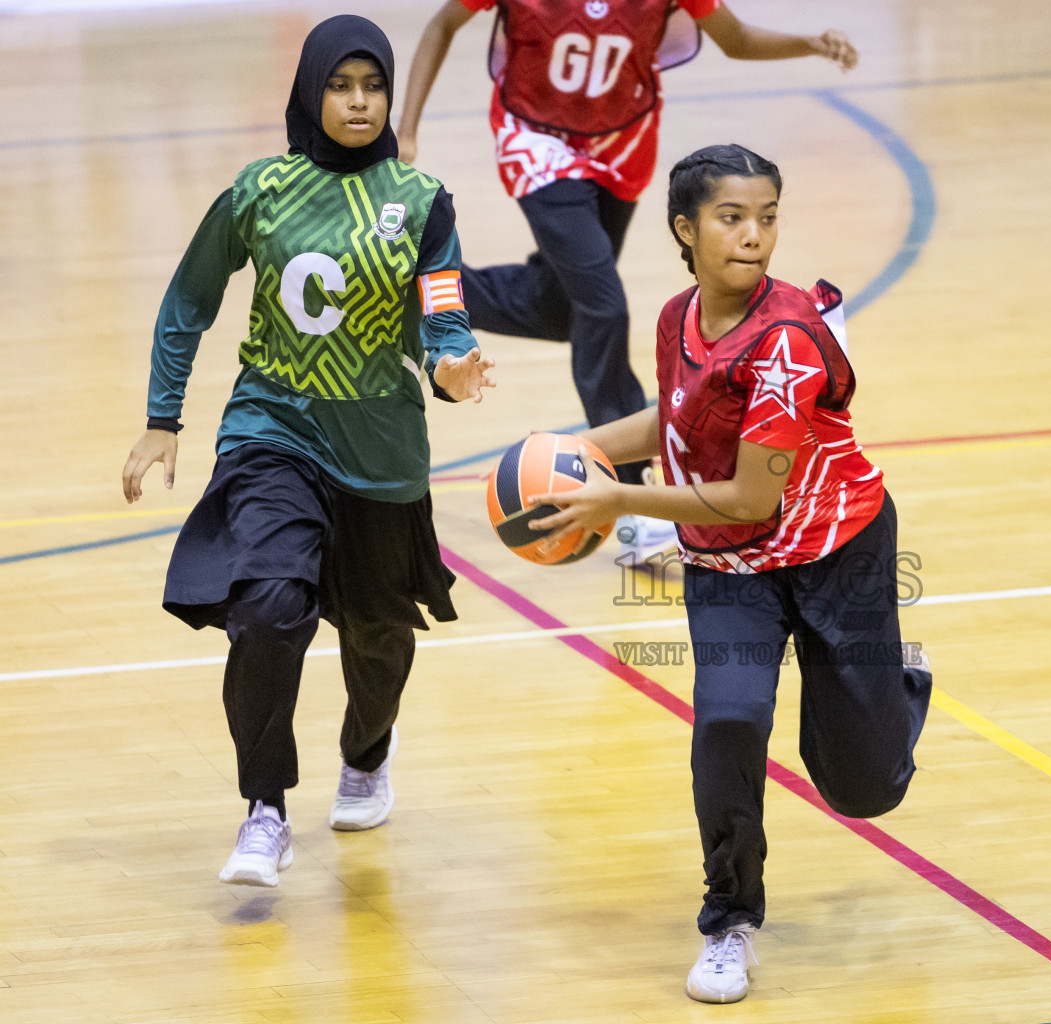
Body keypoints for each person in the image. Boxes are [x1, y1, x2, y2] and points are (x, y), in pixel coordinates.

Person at [527, 144, 932, 1003]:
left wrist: (618, 504)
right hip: (731, 566)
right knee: (728, 724)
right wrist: (584, 451)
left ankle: (900, 693)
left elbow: (751, 494)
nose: (755, 236)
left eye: (769, 218)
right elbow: (671, 421)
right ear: (685, 228)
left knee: (862, 790)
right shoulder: (678, 317)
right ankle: (729, 920)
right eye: (732, 218)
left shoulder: (785, 340)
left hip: (837, 550)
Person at [120, 15, 495, 888]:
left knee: (378, 635)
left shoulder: (423, 200)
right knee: (267, 608)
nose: (359, 102)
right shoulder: (261, 191)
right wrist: (161, 418)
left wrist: (453, 368)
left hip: (381, 451)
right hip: (272, 430)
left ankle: (367, 751)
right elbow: (188, 299)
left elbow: (442, 319)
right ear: (310, 91)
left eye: (373, 87)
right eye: (340, 85)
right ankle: (264, 810)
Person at [396, 0, 858, 559]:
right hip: (536, 142)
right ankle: (632, 494)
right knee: (605, 306)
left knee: (561, 306)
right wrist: (408, 130)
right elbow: (443, 23)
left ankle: (415, 287)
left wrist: (810, 42)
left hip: (622, 144)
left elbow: (733, 39)